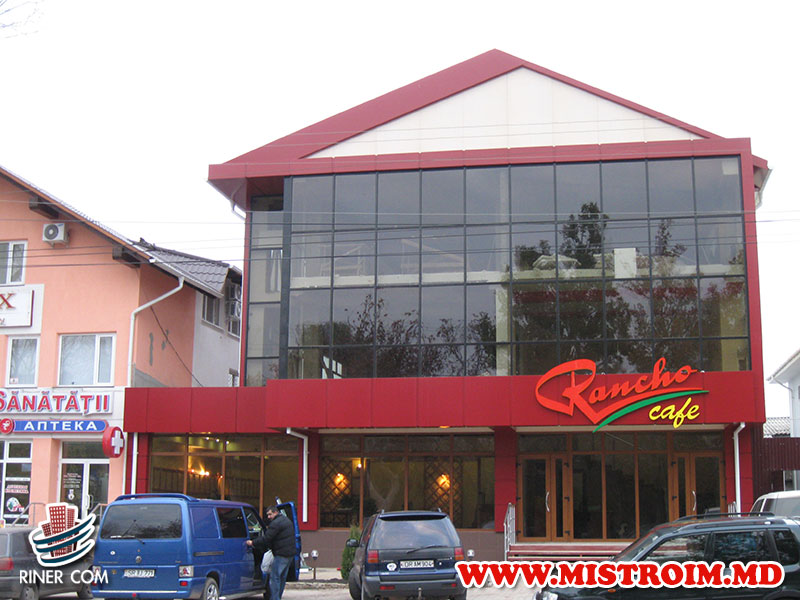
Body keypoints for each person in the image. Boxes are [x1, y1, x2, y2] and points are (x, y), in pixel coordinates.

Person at [246, 505, 296, 600]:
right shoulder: (286, 520)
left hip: (281, 554)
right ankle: (277, 597)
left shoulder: (276, 523)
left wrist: (253, 542)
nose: (268, 517)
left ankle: (275, 598)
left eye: (270, 514)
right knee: (282, 577)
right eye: (267, 515)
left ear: (275, 512)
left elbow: (267, 538)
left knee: (275, 577)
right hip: (289, 554)